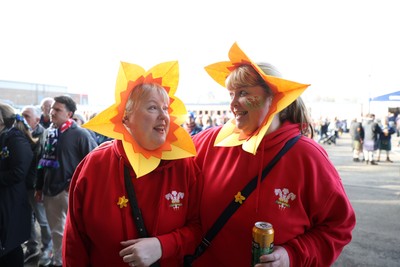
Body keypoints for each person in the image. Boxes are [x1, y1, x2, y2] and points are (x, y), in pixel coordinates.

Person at [190, 43, 356, 267]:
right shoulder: (211, 142)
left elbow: (338, 226)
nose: (232, 104)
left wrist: (292, 256)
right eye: (231, 94)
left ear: (275, 98)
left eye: (243, 93)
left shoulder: (307, 157)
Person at [62, 61, 202, 267]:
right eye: (153, 107)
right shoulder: (94, 165)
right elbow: (75, 242)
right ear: (126, 118)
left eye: (165, 108)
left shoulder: (184, 166)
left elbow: (198, 228)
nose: (164, 116)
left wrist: (163, 245)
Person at [35, 95, 98, 267]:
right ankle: (59, 261)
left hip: (70, 192)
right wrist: (39, 187)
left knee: (76, 233)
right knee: (56, 232)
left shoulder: (81, 134)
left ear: (69, 114)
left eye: (57, 109)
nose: (52, 112)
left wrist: (76, 183)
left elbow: (93, 164)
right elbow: (42, 161)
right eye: (52, 108)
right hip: (50, 192)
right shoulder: (49, 133)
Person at [0, 103, 36, 267]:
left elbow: (19, 172)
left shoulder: (15, 138)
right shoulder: (4, 136)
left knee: (11, 245)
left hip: (12, 199)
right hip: (5, 198)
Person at [21, 105, 53, 266]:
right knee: (26, 218)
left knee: (43, 220)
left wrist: (39, 186)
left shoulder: (44, 135)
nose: (23, 119)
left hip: (36, 185)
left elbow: (42, 163)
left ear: (37, 120)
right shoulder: (20, 134)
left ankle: (47, 248)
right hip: (23, 184)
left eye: (27, 116)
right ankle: (32, 247)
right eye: (22, 116)